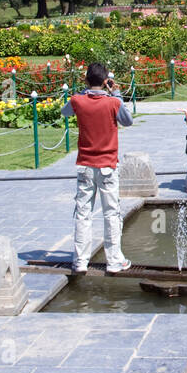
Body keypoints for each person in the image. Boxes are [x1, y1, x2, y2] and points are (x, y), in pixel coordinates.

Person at [61, 62, 133, 273]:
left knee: (83, 213)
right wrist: (116, 93)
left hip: (85, 165)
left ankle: (80, 260)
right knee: (111, 213)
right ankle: (114, 261)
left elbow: (65, 113)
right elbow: (127, 121)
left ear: (85, 80)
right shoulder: (112, 103)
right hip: (108, 165)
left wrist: (85, 91)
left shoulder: (77, 100)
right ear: (105, 81)